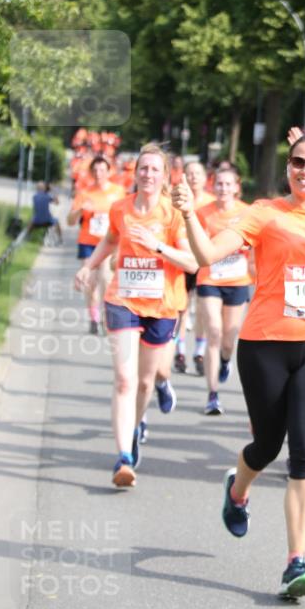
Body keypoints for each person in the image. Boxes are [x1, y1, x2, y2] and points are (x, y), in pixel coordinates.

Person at [173, 134, 305, 599]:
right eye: (298, 162)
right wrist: (190, 213)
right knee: (267, 445)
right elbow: (207, 256)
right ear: (288, 166)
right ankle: (238, 490)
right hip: (265, 344)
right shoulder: (264, 213)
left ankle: (296, 562)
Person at [75, 143, 197, 488]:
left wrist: (158, 246)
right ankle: (124, 456)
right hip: (122, 301)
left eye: (155, 169)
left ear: (165, 177)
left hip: (162, 306)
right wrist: (89, 266)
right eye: (143, 168)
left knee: (145, 382)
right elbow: (110, 241)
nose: (148, 174)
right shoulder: (120, 209)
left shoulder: (174, 215)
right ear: (135, 172)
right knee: (125, 380)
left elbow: (191, 263)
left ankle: (136, 424)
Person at [194, 166, 252, 416]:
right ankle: (212, 394)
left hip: (238, 281)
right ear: (213, 186)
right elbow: (197, 244)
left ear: (237, 188)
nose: (223, 189)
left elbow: (255, 243)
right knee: (214, 332)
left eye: (229, 184)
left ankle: (225, 361)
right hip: (209, 278)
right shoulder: (202, 214)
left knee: (230, 338)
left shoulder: (247, 212)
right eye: (219, 184)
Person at [67, 155, 124, 334]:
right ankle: (93, 318)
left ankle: (107, 319)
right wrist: (80, 210)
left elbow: (125, 217)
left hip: (110, 242)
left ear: (109, 172)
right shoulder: (84, 193)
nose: (99, 174)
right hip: (88, 241)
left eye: (102, 170)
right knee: (90, 283)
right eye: (95, 170)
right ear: (91, 172)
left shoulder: (118, 192)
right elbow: (69, 221)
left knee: (106, 279)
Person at [172, 160, 215, 374]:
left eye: (198, 173)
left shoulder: (212, 202)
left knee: (202, 310)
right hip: (184, 258)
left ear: (206, 177)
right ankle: (179, 351)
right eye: (189, 173)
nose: (193, 177)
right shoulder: (177, 201)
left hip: (205, 261)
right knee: (182, 307)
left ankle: (198, 350)